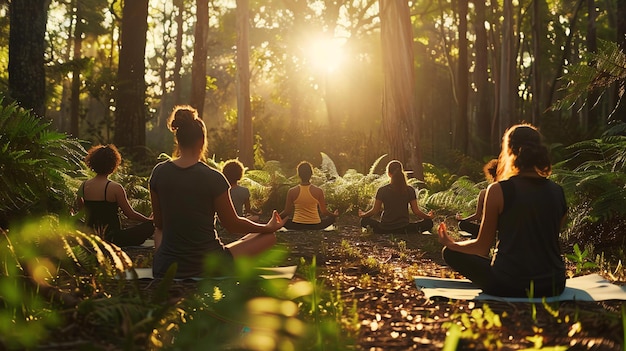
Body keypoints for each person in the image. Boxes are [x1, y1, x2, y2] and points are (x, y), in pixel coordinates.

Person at [149, 105, 286, 279]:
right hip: (209, 265)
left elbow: (159, 224)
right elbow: (232, 225)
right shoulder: (213, 177)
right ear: (201, 141)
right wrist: (267, 227)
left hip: (165, 267)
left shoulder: (159, 172)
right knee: (268, 237)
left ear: (178, 140)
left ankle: (167, 262)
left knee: (252, 235)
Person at [437, 123, 567, 298]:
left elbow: (482, 247)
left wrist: (452, 244)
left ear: (509, 152)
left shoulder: (499, 190)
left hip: (510, 284)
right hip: (554, 284)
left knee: (450, 253)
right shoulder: (557, 191)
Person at [74, 144, 154, 247]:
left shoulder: (84, 186)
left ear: (92, 163)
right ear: (113, 165)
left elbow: (82, 213)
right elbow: (130, 214)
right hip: (113, 238)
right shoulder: (115, 188)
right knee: (151, 226)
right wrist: (148, 220)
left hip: (90, 238)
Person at [358, 160, 434, 234]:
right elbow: (416, 211)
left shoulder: (382, 190)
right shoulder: (410, 190)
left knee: (364, 221)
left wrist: (364, 215)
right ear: (402, 172)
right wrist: (428, 217)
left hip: (384, 228)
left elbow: (375, 210)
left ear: (388, 173)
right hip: (404, 228)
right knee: (428, 223)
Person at [279, 161, 338, 230]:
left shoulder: (292, 191)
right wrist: (334, 215)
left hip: (296, 225)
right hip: (316, 226)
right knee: (331, 219)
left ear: (299, 174)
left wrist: (275, 217)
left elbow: (287, 212)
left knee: (284, 220)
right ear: (311, 174)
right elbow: (324, 211)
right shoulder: (318, 191)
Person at [455, 159, 498, 239]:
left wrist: (462, 220)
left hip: (486, 230)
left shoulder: (484, 193)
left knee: (462, 224)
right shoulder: (506, 192)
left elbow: (477, 216)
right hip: (501, 231)